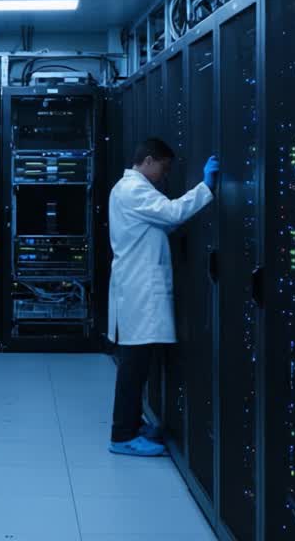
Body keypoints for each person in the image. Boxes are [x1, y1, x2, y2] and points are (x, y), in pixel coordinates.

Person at [106, 137, 218, 457]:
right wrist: (205, 187)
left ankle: (130, 425)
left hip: (136, 286)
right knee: (133, 367)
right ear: (149, 160)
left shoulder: (129, 190)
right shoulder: (133, 189)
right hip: (138, 289)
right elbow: (170, 213)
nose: (164, 176)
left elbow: (157, 225)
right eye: (164, 168)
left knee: (137, 365)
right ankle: (122, 435)